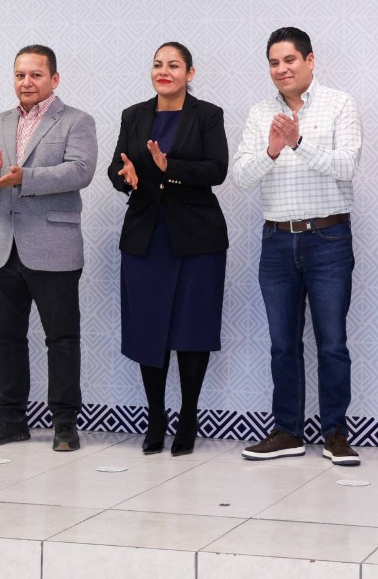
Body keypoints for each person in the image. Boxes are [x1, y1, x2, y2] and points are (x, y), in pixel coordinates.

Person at [233, 27, 362, 466]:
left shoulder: (339, 103)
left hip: (328, 238)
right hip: (276, 240)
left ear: (309, 60)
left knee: (332, 342)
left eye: (289, 60)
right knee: (282, 344)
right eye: (274, 62)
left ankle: (335, 433)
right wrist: (272, 151)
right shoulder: (259, 113)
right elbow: (241, 176)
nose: (281, 69)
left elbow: (347, 165)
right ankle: (288, 431)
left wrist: (299, 143)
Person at [0, 45, 97, 451]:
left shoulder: (76, 120)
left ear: (54, 79)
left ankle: (65, 423)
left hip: (53, 245)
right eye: (20, 75)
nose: (27, 82)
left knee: (62, 338)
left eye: (36, 75)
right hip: (2, 243)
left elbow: (80, 171)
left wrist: (25, 177)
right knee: (7, 338)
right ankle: (11, 419)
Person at [107, 42, 229, 457]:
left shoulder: (207, 115)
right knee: (149, 325)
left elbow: (217, 169)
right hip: (146, 234)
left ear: (189, 74)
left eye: (174, 65)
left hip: (197, 236)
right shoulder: (134, 115)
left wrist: (169, 168)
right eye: (158, 64)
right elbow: (117, 166)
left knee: (192, 328)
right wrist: (125, 176)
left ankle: (189, 416)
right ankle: (156, 416)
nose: (164, 71)